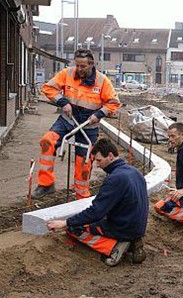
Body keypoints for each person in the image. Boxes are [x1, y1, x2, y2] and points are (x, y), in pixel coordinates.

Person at [32, 49, 121, 200]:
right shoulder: (67, 73)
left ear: (91, 64)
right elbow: (48, 88)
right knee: (48, 141)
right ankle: (46, 184)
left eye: (83, 66)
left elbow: (113, 103)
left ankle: (81, 196)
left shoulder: (102, 81)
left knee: (84, 162)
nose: (79, 69)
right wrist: (62, 102)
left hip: (88, 126)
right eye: (77, 65)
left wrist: (99, 114)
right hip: (68, 120)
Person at [47, 138, 148, 267]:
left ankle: (114, 246)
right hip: (137, 226)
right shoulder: (134, 172)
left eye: (99, 160)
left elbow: (96, 212)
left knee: (74, 228)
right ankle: (132, 240)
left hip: (123, 228)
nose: (98, 165)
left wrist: (65, 222)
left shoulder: (115, 179)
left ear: (110, 156)